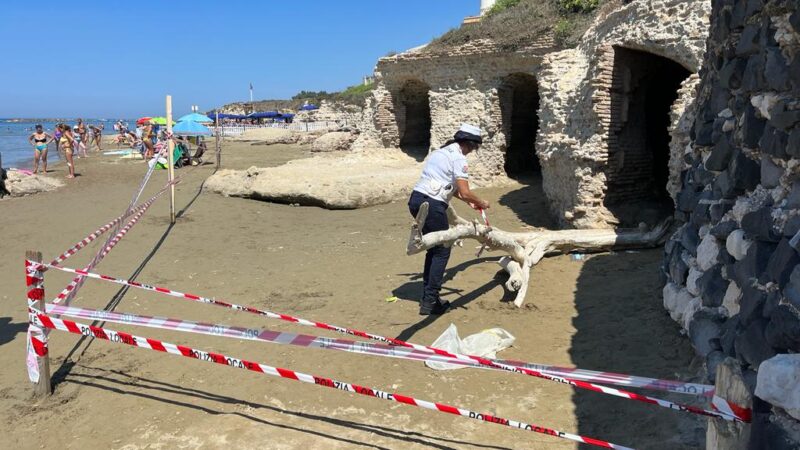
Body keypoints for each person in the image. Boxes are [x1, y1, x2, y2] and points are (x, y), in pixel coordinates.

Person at [407, 124, 490, 315]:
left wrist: (470, 202)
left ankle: (429, 296)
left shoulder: (440, 152)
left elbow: (451, 188)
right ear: (469, 144)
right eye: (473, 147)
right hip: (433, 205)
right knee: (442, 251)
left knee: (434, 249)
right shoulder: (459, 158)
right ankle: (430, 301)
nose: (472, 151)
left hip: (416, 199)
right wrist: (482, 202)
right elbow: (465, 191)